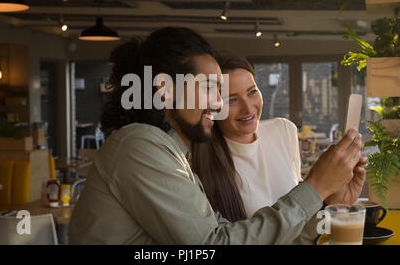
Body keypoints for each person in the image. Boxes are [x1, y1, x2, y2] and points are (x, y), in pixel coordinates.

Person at [69, 27, 365, 244]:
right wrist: (315, 187)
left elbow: (235, 238)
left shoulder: (173, 154)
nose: (218, 103)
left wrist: (327, 200)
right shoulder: (138, 145)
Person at [191, 51, 367, 244]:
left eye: (252, 92)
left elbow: (300, 230)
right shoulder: (200, 160)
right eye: (232, 99)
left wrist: (332, 202)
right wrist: (319, 186)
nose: (248, 108)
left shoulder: (284, 130)